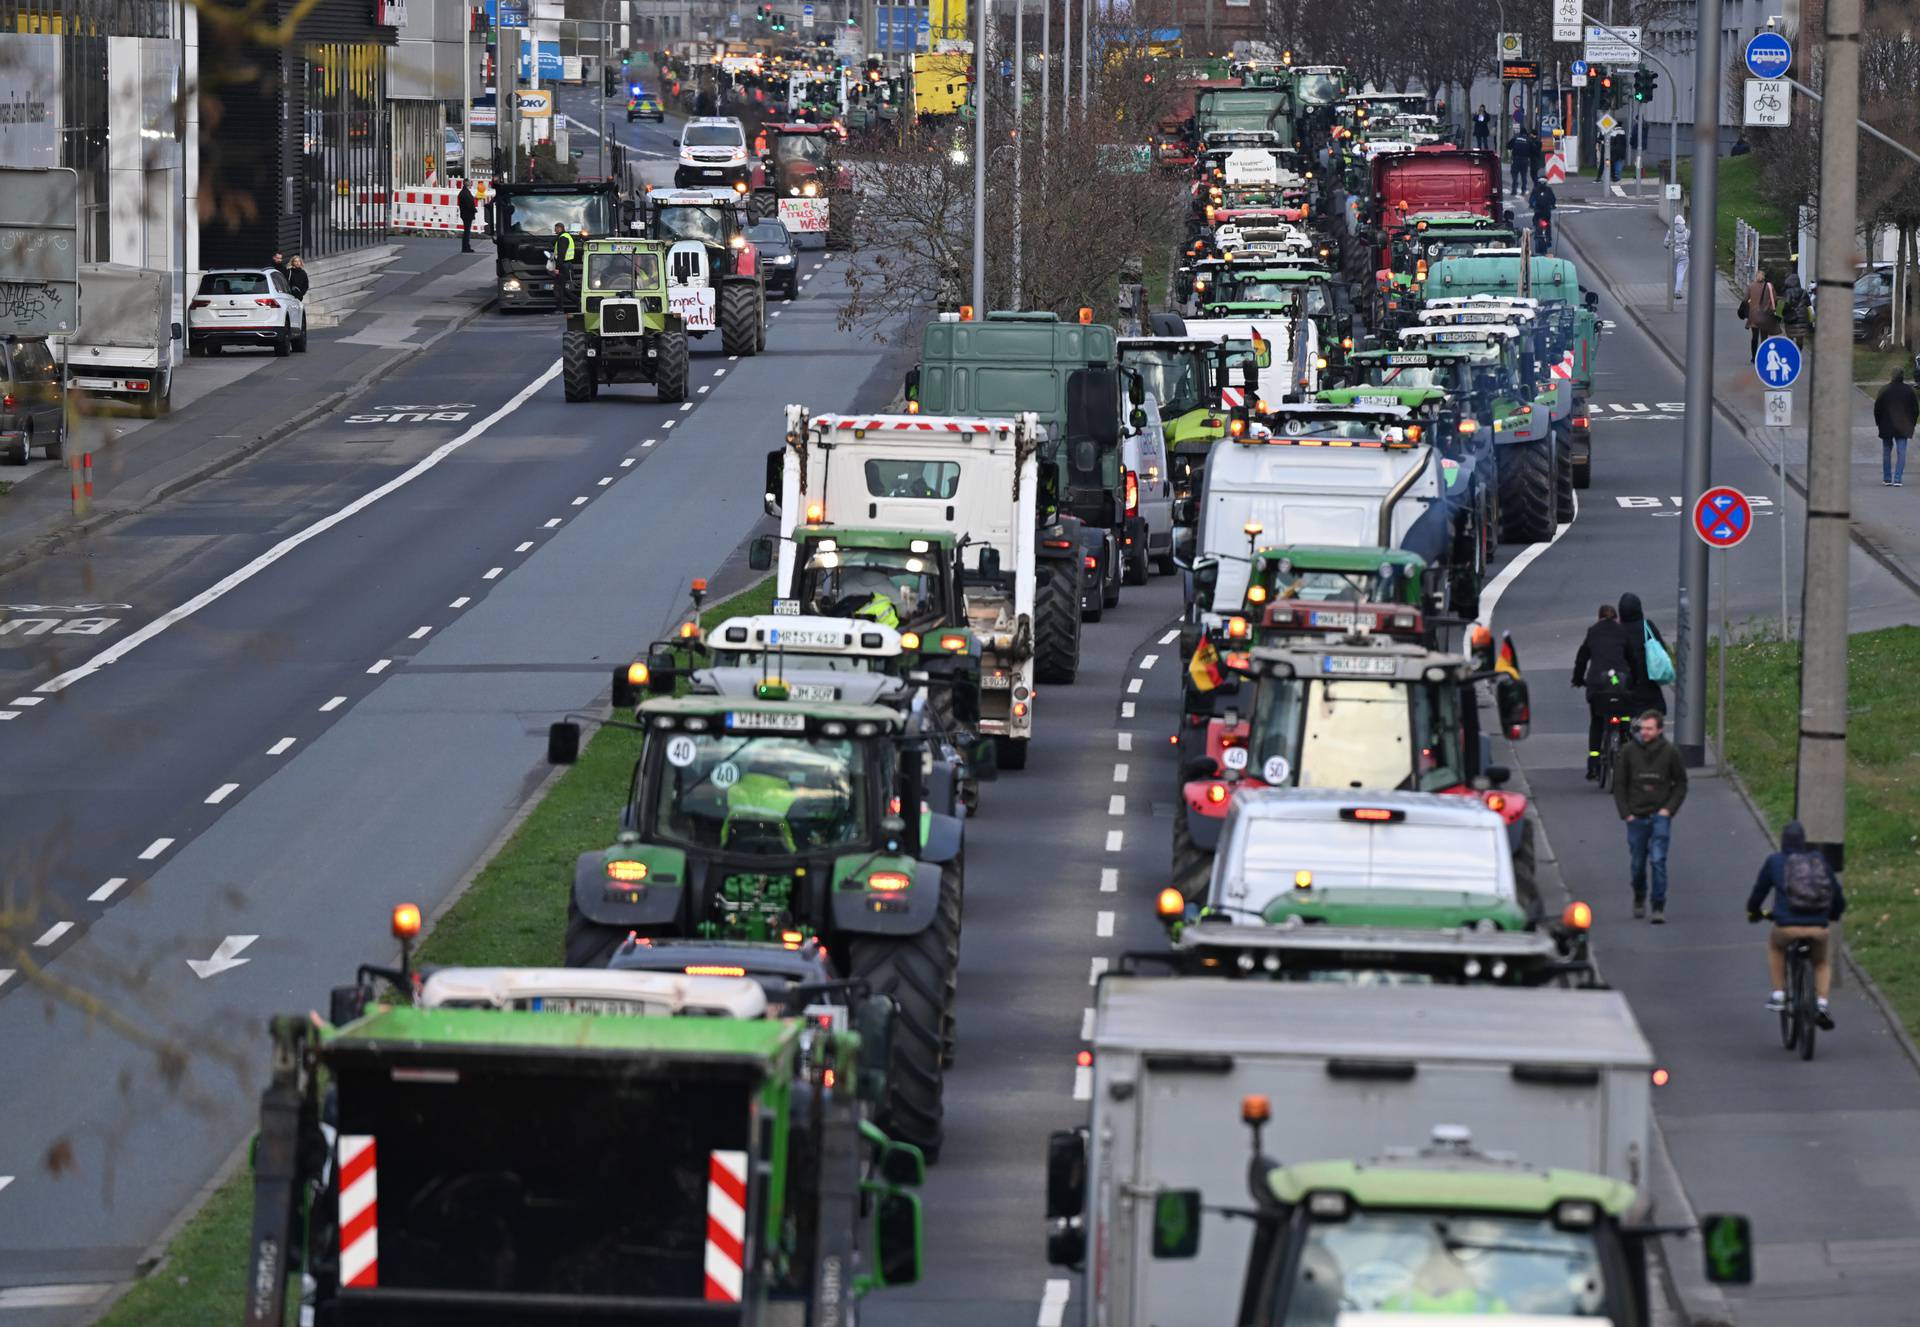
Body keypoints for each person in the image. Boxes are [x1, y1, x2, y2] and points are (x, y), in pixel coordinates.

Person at [1747, 820, 1845, 1027]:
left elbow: (1759, 892)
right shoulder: (1818, 860)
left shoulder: (1775, 861)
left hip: (1786, 927)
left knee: (1775, 947)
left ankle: (1779, 993)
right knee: (1820, 962)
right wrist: (1833, 915)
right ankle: (1822, 1004)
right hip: (1818, 927)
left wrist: (1754, 911)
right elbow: (1836, 893)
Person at [1613, 710, 1687, 922]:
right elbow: (1619, 785)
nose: (1644, 733)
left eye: (1649, 729)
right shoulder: (1628, 752)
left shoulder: (1670, 753)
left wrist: (1668, 810)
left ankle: (1658, 906)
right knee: (1637, 864)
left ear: (1659, 730)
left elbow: (1681, 783)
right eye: (1642, 728)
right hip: (1636, 817)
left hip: (1660, 815)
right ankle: (1639, 895)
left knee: (1658, 860)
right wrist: (1626, 814)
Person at [1571, 603, 1638, 781]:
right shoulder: (1622, 632)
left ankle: (1594, 762)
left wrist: (1577, 679)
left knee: (1597, 720)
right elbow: (1632, 659)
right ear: (1616, 618)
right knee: (1623, 708)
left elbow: (1582, 658)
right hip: (1619, 679)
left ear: (1599, 617)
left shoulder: (1593, 632)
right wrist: (1635, 680)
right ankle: (1624, 734)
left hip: (1597, 682)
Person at [1615, 591, 1669, 716]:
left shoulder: (1617, 630)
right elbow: (1661, 650)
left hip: (1623, 686)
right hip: (1648, 685)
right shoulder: (1647, 627)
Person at [1873, 368, 1918, 487]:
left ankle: (1887, 478)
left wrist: (1879, 423)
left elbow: (1877, 409)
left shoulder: (1884, 390)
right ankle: (1897, 479)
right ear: (1902, 376)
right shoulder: (1908, 391)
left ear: (1891, 376)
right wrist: (1912, 424)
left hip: (1886, 425)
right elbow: (1915, 410)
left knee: (1887, 452)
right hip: (1903, 426)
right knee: (1901, 452)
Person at [1744, 268, 1781, 356]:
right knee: (1764, 337)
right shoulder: (1769, 286)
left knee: (1754, 336)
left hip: (1754, 315)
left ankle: (1754, 356)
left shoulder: (1751, 286)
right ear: (1764, 277)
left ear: (1756, 276)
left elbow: (1745, 299)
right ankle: (1763, 355)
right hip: (1765, 315)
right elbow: (1774, 299)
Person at [1779, 272, 1812, 349]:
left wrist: (1782, 313)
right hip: (1802, 320)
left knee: (1790, 339)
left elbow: (1786, 304)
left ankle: (1791, 356)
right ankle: (1798, 355)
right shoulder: (1804, 292)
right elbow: (1809, 305)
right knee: (1800, 340)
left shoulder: (1788, 292)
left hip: (1791, 319)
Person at [551, 223, 578, 304]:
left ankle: (560, 309)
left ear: (560, 228)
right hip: (566, 265)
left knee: (558, 288)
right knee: (561, 288)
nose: (554, 230)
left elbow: (561, 254)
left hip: (563, 266)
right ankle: (577, 301)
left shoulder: (563, 238)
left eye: (556, 228)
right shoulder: (565, 237)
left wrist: (557, 268)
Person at [1666, 212, 1690, 300]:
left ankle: (1672, 290)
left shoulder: (1670, 231)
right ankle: (1677, 291)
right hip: (1684, 255)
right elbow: (1691, 244)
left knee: (1673, 273)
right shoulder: (1688, 232)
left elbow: (1665, 244)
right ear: (1683, 222)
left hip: (1674, 255)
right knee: (1680, 273)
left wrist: (1669, 246)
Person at [1528, 177, 1556, 252]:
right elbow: (1553, 199)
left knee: (1536, 222)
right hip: (1546, 212)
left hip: (1538, 212)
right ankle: (1548, 238)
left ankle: (1537, 235)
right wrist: (1553, 205)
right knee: (1548, 224)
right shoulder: (1549, 190)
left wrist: (1531, 205)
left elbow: (1531, 199)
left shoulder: (1535, 190)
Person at [1507, 126, 1530, 195]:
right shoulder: (1528, 139)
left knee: (1514, 175)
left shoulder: (1515, 138)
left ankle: (1514, 190)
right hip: (1525, 160)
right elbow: (1531, 149)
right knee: (1524, 176)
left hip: (1516, 159)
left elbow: (1508, 146)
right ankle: (1523, 190)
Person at [457, 181, 478, 253]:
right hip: (467, 214)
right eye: (469, 182)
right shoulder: (465, 193)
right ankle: (466, 247)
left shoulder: (463, 192)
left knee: (466, 231)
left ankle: (465, 247)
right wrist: (474, 210)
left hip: (465, 214)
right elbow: (469, 203)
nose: (471, 183)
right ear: (467, 184)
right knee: (467, 231)